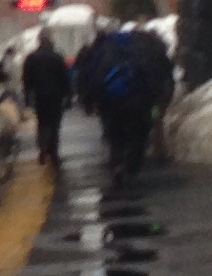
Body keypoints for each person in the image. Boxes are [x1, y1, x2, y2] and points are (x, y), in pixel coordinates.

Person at [76, 21, 175, 177]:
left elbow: (90, 77)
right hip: (138, 100)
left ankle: (117, 162)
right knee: (139, 132)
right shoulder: (143, 51)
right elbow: (158, 75)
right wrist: (157, 97)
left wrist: (89, 100)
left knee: (115, 134)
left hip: (109, 101)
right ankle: (132, 165)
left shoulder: (103, 52)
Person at [19, 36, 71, 160]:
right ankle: (53, 150)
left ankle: (43, 146)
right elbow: (64, 77)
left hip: (39, 95)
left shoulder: (32, 58)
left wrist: (27, 95)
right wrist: (67, 95)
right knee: (55, 123)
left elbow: (27, 78)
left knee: (42, 122)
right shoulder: (57, 57)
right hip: (55, 95)